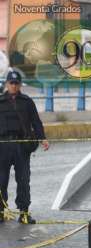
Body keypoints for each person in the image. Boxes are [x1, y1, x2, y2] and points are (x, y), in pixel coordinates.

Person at [0, 70, 49, 224]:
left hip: (22, 146)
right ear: (7, 84)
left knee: (23, 180)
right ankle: (1, 212)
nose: (14, 86)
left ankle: (24, 213)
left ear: (20, 85)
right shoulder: (0, 101)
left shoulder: (27, 102)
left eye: (16, 83)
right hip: (3, 146)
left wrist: (43, 139)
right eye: (11, 83)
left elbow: (36, 122)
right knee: (1, 180)